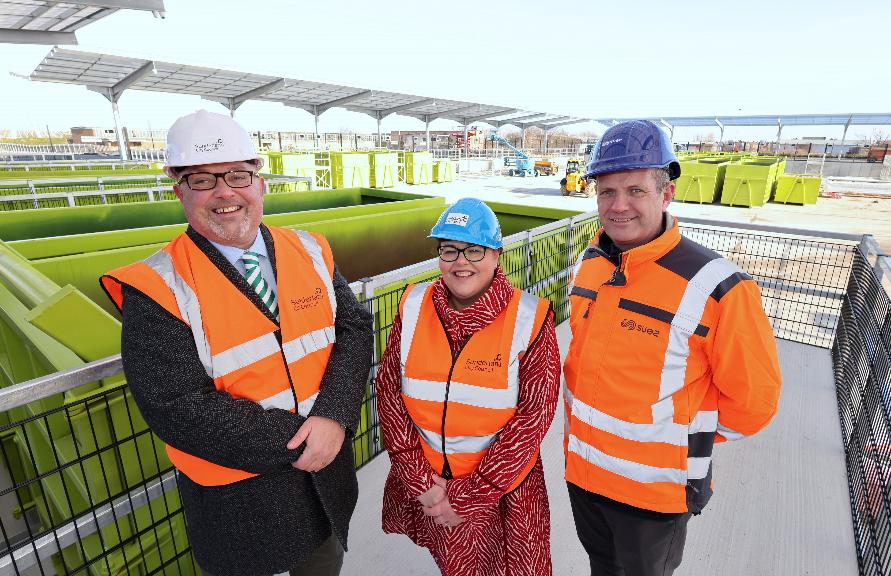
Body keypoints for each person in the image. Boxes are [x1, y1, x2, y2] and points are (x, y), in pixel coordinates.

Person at [100, 110, 372, 576]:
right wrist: (306, 440)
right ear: (179, 191)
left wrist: (334, 415)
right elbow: (176, 407)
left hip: (325, 484)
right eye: (203, 180)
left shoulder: (310, 250)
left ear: (260, 183)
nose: (225, 192)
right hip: (239, 507)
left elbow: (353, 329)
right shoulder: (156, 287)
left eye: (238, 175)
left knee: (325, 565)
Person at [563, 120, 782, 576]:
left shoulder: (718, 288)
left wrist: (679, 440)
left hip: (653, 494)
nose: (618, 206)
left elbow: (754, 403)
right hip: (584, 474)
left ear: (666, 194)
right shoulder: (593, 263)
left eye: (635, 190)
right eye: (606, 192)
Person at [375, 198, 561, 576]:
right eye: (449, 250)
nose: (461, 262)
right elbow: (389, 392)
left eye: (474, 250)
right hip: (429, 482)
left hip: (501, 489)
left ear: (496, 255)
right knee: (452, 563)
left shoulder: (530, 318)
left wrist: (468, 495)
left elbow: (534, 418)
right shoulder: (413, 305)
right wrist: (420, 481)